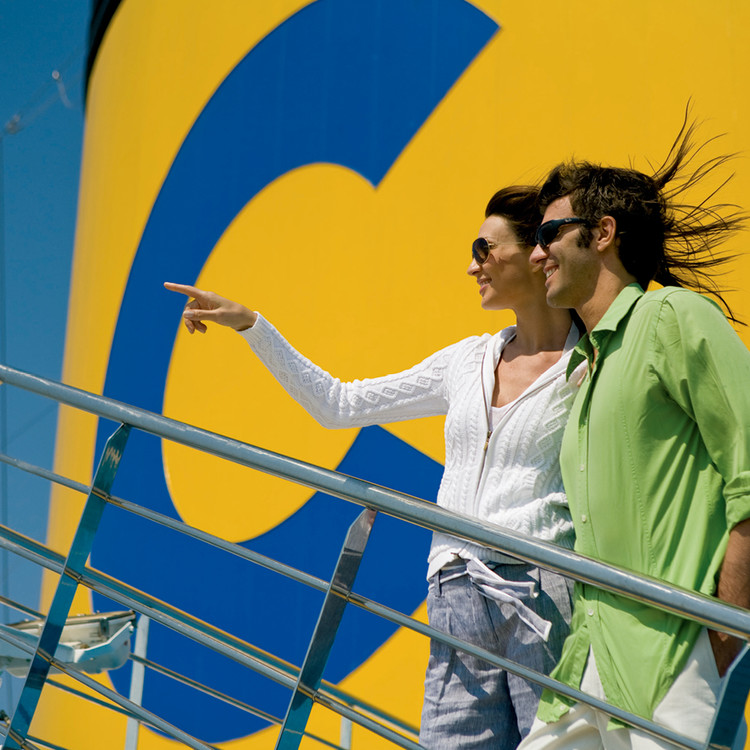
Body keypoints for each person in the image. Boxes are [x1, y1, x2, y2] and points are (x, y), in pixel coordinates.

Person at [165, 185, 583, 749]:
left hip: (543, 593)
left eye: (483, 249)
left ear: (535, 253)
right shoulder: (466, 361)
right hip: (455, 594)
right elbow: (338, 404)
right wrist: (251, 325)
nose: (471, 266)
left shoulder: (589, 363)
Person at [519, 122, 750, 750]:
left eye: (549, 235)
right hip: (589, 660)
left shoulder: (672, 317)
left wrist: (725, 634)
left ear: (602, 234)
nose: (537, 254)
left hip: (677, 660)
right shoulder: (585, 365)